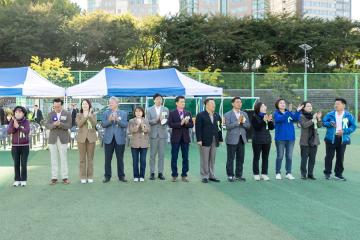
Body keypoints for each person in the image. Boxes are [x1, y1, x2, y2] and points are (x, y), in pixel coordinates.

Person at [323, 98, 357, 181]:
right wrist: (330, 124)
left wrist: (344, 131)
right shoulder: (330, 114)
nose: (336, 105)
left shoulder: (349, 115)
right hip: (331, 138)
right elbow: (323, 122)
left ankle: (338, 174)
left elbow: (353, 126)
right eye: (335, 104)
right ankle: (327, 173)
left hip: (342, 139)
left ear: (343, 105)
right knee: (329, 156)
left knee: (340, 157)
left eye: (338, 103)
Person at [274, 99, 303, 180]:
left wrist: (297, 111)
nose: (283, 104)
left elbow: (296, 119)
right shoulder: (276, 113)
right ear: (277, 105)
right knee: (280, 156)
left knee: (289, 156)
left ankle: (288, 173)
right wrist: (288, 112)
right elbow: (280, 119)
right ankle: (278, 172)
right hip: (280, 138)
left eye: (284, 103)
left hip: (290, 138)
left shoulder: (289, 112)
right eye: (281, 103)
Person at [195, 98, 223, 183]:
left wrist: (220, 138)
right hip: (204, 139)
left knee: (212, 158)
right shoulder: (200, 115)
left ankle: (211, 175)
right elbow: (198, 128)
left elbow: (219, 128)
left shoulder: (217, 115)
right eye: (212, 103)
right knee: (204, 158)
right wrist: (199, 139)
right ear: (206, 105)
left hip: (215, 139)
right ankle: (204, 176)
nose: (214, 105)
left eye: (214, 103)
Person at [102, 97, 128, 183]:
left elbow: (125, 125)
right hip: (108, 139)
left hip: (119, 139)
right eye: (109, 102)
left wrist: (117, 120)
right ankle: (107, 176)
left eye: (112, 102)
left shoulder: (123, 113)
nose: (110, 104)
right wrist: (109, 120)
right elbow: (103, 124)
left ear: (117, 103)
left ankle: (121, 176)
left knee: (120, 159)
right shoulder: (106, 113)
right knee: (107, 159)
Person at [46, 98, 72, 185]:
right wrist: (53, 124)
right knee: (53, 158)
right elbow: (47, 125)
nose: (56, 108)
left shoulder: (67, 113)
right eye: (55, 106)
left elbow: (69, 125)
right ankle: (54, 177)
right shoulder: (50, 114)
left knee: (63, 158)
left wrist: (60, 124)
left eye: (58, 106)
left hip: (63, 138)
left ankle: (65, 177)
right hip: (52, 138)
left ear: (62, 105)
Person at [168, 96, 194, 182]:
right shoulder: (172, 113)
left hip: (185, 138)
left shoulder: (188, 112)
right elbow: (170, 124)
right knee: (174, 157)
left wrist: (186, 123)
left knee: (185, 157)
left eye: (184, 102)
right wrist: (181, 123)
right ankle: (174, 175)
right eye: (181, 102)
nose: (183, 103)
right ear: (176, 103)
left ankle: (184, 175)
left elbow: (191, 125)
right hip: (175, 138)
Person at [224, 97, 250, 182]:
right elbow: (228, 127)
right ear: (233, 103)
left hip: (242, 138)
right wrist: (238, 122)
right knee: (231, 158)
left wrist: (243, 123)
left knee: (240, 158)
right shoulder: (227, 114)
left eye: (240, 102)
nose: (239, 104)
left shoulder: (244, 114)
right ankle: (230, 175)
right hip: (232, 139)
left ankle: (239, 175)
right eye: (237, 102)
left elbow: (248, 126)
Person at [146, 93, 169, 180]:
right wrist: (156, 120)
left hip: (162, 135)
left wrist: (163, 120)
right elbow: (147, 121)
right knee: (152, 155)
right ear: (154, 100)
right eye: (157, 99)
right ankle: (152, 173)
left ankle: (160, 173)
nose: (159, 100)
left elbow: (166, 121)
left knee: (161, 155)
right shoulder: (149, 109)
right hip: (153, 134)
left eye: (160, 99)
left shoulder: (165, 109)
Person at [299, 101, 322, 180]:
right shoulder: (301, 116)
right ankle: (303, 174)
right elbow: (304, 125)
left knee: (312, 159)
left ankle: (310, 174)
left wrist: (318, 118)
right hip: (305, 141)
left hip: (314, 140)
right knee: (304, 159)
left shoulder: (313, 116)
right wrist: (313, 120)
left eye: (311, 106)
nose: (310, 107)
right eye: (308, 106)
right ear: (304, 108)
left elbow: (319, 126)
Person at [7, 106, 30, 187]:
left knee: (24, 164)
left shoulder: (26, 121)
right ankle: (17, 179)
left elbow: (27, 131)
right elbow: (9, 131)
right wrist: (14, 126)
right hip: (15, 146)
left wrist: (19, 127)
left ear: (23, 113)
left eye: (20, 112)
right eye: (16, 112)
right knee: (16, 163)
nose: (18, 114)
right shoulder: (12, 121)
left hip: (25, 146)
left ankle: (23, 179)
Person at [251, 102, 274, 181]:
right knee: (256, 157)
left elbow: (271, 128)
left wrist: (270, 121)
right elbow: (257, 127)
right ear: (259, 108)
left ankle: (264, 174)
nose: (265, 107)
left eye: (265, 106)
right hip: (257, 140)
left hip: (267, 140)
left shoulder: (266, 116)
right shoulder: (254, 116)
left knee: (265, 158)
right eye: (263, 106)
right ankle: (256, 174)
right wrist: (264, 121)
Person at [76, 99, 97, 184]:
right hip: (81, 138)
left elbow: (94, 124)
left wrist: (90, 115)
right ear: (81, 106)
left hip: (91, 138)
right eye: (83, 104)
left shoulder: (93, 114)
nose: (84, 105)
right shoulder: (78, 114)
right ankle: (83, 176)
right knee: (82, 159)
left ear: (89, 105)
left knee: (90, 159)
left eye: (86, 104)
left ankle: (90, 176)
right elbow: (79, 124)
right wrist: (86, 116)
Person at [129, 107, 150, 182]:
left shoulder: (146, 120)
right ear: (134, 113)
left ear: (142, 112)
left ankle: (142, 176)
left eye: (140, 111)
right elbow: (131, 130)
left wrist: (142, 126)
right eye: (137, 111)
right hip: (134, 144)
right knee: (135, 161)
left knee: (143, 161)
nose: (138, 113)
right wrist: (137, 125)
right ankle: (136, 176)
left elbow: (148, 130)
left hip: (144, 143)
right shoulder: (131, 121)